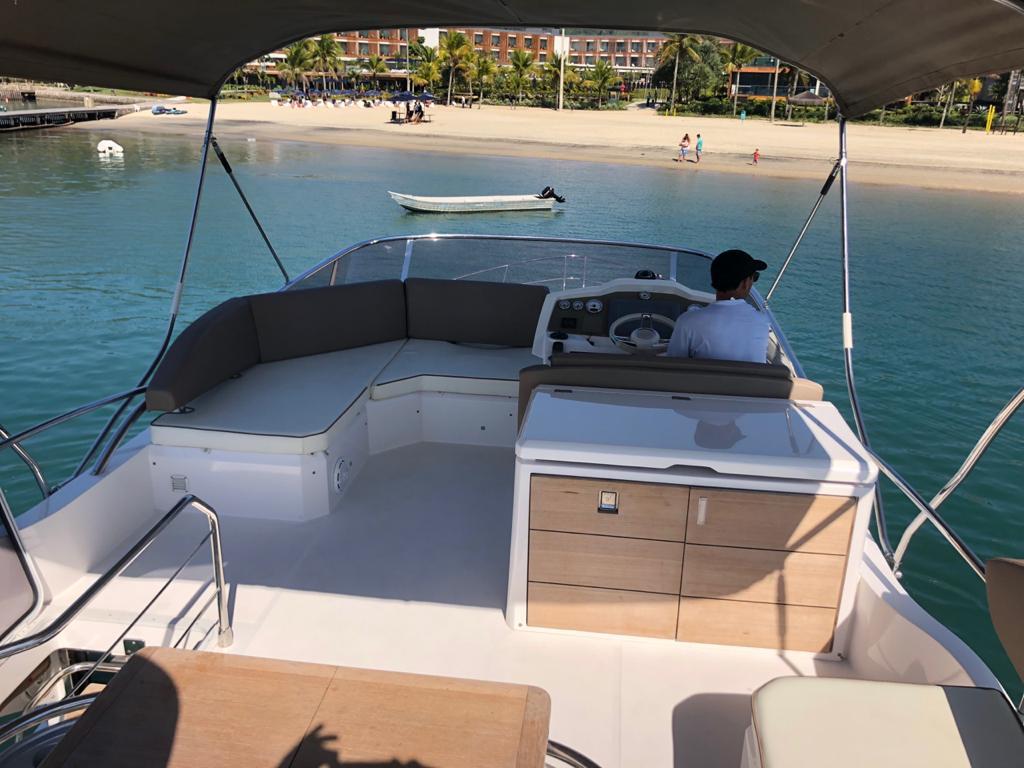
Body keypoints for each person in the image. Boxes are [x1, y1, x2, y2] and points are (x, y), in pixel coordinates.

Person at [666, 249, 770, 363]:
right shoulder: (762, 321)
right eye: (754, 277)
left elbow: (673, 363)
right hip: (750, 376)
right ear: (745, 283)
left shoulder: (687, 321)